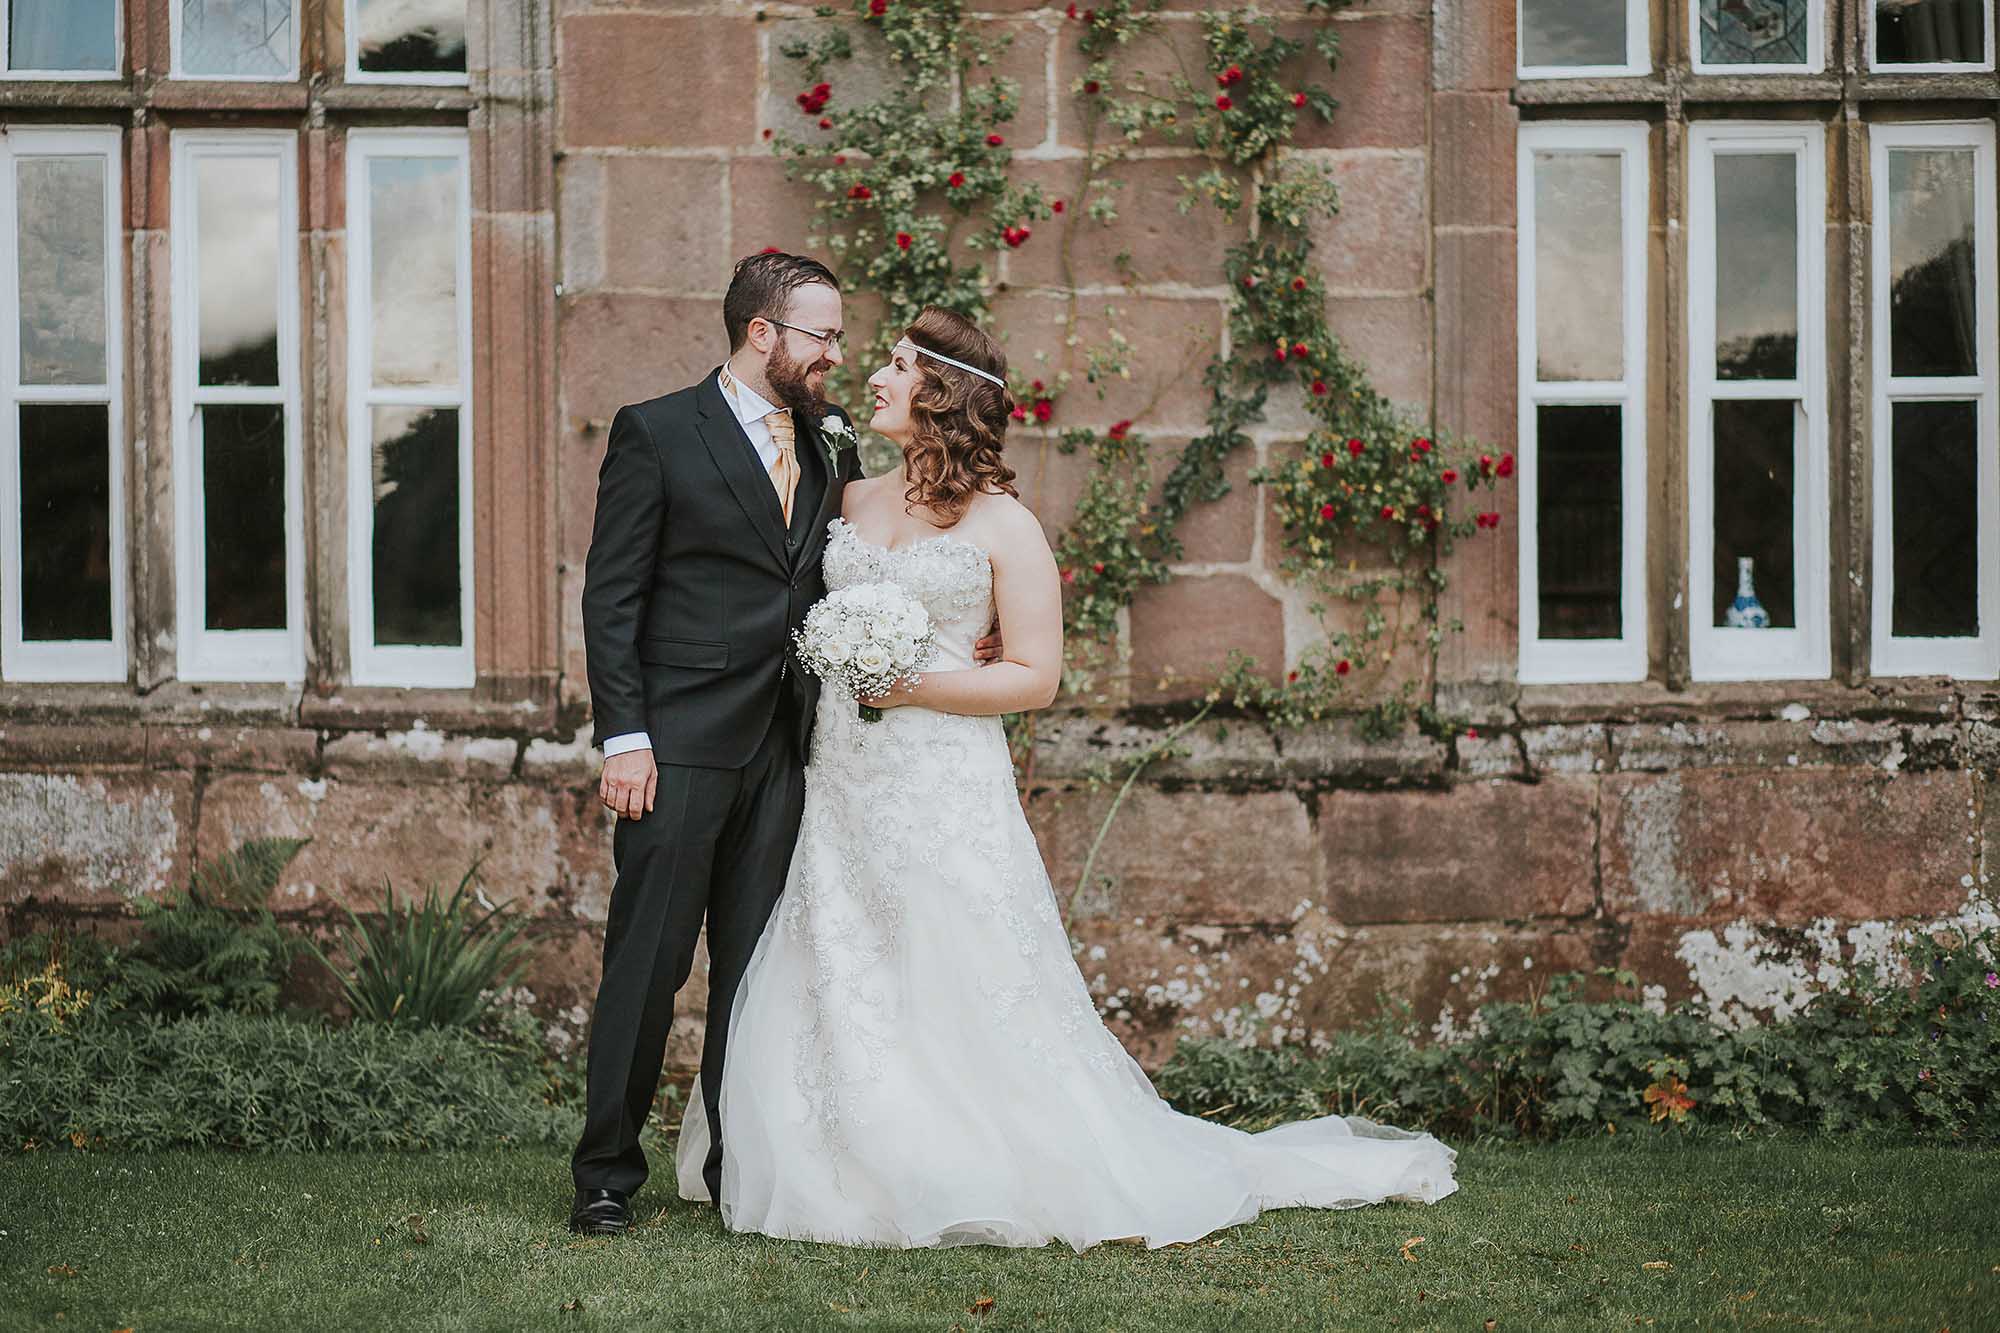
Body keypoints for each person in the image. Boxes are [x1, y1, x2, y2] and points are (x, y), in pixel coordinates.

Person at [673, 306, 1459, 1251]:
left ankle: (972, 1163)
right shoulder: (848, 496)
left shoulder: (1008, 526)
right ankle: (840, 1160)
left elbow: (1034, 676)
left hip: (941, 778)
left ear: (939, 392)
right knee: (841, 956)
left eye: (893, 363)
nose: (872, 374)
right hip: (840, 775)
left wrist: (912, 681)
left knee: (953, 956)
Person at [568, 254, 1002, 1235]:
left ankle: (739, 1160)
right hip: (674, 748)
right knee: (648, 960)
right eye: (821, 334)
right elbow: (612, 596)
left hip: (792, 747)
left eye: (841, 337)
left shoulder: (836, 441)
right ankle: (604, 1171)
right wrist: (624, 735)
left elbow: (875, 557)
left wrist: (971, 630)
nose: (836, 354)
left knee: (757, 972)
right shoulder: (657, 431)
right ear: (760, 333)